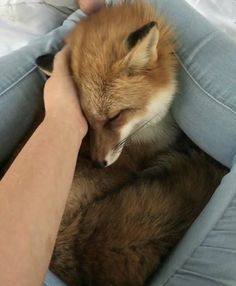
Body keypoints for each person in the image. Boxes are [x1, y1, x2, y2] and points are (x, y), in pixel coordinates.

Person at [0, 1, 235, 286]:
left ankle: (98, 18)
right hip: (78, 249)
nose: (101, 153)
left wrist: (63, 116)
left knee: (67, 48)